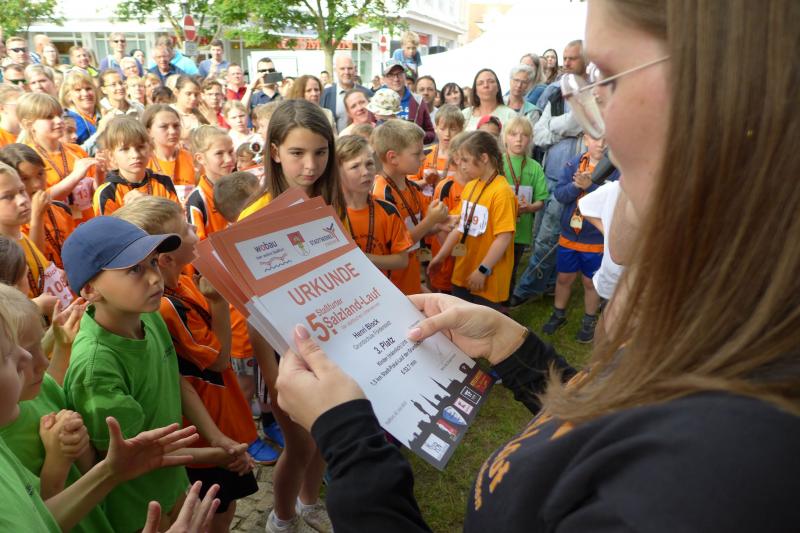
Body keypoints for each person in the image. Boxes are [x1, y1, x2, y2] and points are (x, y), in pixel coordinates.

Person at [270, 1, 800, 530]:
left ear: (725, 96)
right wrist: (515, 350)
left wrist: (350, 442)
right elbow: (599, 420)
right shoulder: (710, 353)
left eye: (607, 78)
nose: (598, 130)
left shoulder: (713, 481)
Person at [114, 197, 261, 531]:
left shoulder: (182, 282)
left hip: (210, 419)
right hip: (202, 425)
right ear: (166, 257)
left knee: (223, 503)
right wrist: (218, 303)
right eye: (185, 229)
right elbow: (219, 360)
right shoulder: (167, 306)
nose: (195, 229)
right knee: (214, 507)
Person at [237, 100, 340, 533]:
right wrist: (272, 374)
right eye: (298, 153)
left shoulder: (327, 204)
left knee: (324, 438)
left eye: (320, 152)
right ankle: (281, 518)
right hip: (280, 356)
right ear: (275, 151)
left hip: (327, 344)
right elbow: (253, 312)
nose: (310, 165)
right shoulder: (253, 218)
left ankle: (309, 501)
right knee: (298, 446)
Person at [0, 286, 115, 533]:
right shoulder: (5, 439)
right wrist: (57, 460)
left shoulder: (40, 388)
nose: (43, 361)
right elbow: (35, 517)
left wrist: (77, 444)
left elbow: (87, 464)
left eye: (40, 345)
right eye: (23, 355)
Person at [510, 40, 587, 307]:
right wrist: (566, 127)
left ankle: (526, 288)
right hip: (549, 174)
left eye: (572, 58)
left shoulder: (595, 93)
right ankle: (550, 283)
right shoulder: (556, 92)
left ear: (587, 60)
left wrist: (558, 126)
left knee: (548, 238)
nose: (566, 63)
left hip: (573, 178)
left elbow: (583, 122)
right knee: (540, 236)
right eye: (564, 57)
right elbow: (539, 135)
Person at [428, 130, 517, 309]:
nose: (461, 166)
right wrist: (441, 256)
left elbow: (504, 237)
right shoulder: (470, 186)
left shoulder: (502, 192)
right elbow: (459, 227)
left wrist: (483, 270)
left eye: (466, 160)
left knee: (481, 322)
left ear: (484, 158)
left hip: (488, 277)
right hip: (464, 271)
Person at [542, 133, 617, 343]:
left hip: (595, 239)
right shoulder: (572, 164)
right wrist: (576, 186)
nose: (601, 144)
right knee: (564, 277)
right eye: (595, 138)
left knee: (590, 282)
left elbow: (612, 201)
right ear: (585, 139)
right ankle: (558, 313)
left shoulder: (615, 169)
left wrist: (589, 186)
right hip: (569, 236)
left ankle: (589, 319)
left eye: (606, 139)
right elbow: (560, 195)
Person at [371, 120, 449, 295]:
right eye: (417, 153)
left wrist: (439, 225)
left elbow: (414, 229)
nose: (423, 157)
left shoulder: (411, 187)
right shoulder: (382, 195)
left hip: (410, 280)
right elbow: (400, 246)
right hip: (393, 288)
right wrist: (430, 221)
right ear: (393, 157)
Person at [0, 162, 72, 315]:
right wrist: (36, 307)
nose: (22, 200)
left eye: (21, 190)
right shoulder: (3, 253)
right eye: (7, 196)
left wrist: (53, 274)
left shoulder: (20, 236)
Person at [336, 134, 412, 274]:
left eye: (369, 164)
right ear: (337, 173)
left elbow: (402, 260)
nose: (365, 172)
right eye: (355, 166)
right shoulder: (331, 214)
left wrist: (364, 258)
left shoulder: (388, 210)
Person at [18, 93, 98, 222]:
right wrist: (75, 176)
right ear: (29, 124)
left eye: (60, 115)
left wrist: (101, 172)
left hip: (89, 223)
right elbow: (38, 201)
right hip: (57, 229)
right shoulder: (27, 159)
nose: (59, 121)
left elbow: (95, 192)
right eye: (49, 117)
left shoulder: (75, 150)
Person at [0, 143, 76, 269]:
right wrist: (37, 216)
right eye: (25, 179)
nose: (36, 184)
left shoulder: (60, 208)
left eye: (40, 174)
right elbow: (34, 264)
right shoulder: (14, 222)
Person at [93, 117, 178, 215]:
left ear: (150, 148)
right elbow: (107, 224)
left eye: (141, 147)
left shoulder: (164, 182)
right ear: (111, 156)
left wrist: (151, 203)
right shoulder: (107, 192)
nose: (135, 155)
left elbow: (178, 219)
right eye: (125, 149)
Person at [501, 116, 548, 297]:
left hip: (520, 230)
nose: (519, 139)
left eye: (524, 135)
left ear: (530, 139)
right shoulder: (497, 163)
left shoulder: (535, 167)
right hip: (497, 227)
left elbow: (541, 200)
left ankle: (505, 303)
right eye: (513, 134)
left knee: (511, 268)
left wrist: (529, 208)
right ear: (505, 137)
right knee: (494, 265)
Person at [428, 131, 471, 293]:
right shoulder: (445, 187)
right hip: (447, 255)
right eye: (467, 158)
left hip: (469, 256)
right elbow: (438, 225)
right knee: (446, 292)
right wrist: (451, 253)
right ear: (456, 159)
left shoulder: (478, 185)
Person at [186, 125, 236, 241]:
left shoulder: (243, 187)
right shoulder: (197, 199)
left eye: (231, 151)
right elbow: (198, 245)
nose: (229, 159)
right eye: (219, 153)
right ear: (200, 158)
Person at [143, 104, 196, 202]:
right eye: (164, 127)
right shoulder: (142, 162)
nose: (172, 131)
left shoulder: (192, 158)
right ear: (148, 132)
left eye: (176, 126)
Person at [412, 104, 464, 197]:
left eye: (453, 129)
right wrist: (425, 181)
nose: (447, 134)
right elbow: (409, 187)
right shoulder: (424, 154)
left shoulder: (465, 158)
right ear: (435, 128)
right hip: (426, 205)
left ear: (461, 129)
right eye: (442, 129)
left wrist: (440, 182)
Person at [380, 60, 435, 144]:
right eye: (390, 75)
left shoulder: (418, 100)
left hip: (412, 151)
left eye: (399, 74)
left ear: (405, 75)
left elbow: (431, 133)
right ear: (384, 79)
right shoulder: (377, 101)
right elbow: (369, 133)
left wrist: (416, 136)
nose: (396, 79)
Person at [320, 55, 371, 133]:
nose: (346, 72)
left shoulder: (368, 94)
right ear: (335, 70)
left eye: (350, 68)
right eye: (342, 69)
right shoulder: (325, 95)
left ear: (355, 69)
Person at [59, 70, 102, 146]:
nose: (85, 94)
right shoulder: (67, 120)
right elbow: (71, 150)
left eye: (88, 89)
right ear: (68, 96)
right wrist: (100, 132)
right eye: (78, 90)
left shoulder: (106, 114)